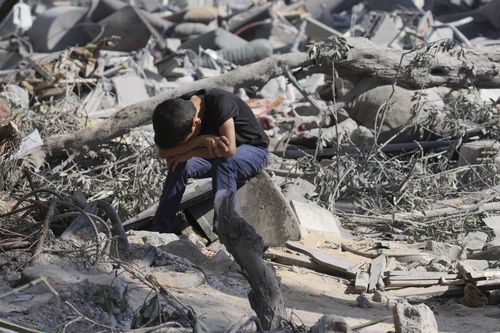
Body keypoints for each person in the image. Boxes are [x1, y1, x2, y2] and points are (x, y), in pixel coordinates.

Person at [151, 88, 269, 233]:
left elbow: (229, 150)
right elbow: (164, 152)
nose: (182, 144)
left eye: (184, 140)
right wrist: (199, 141)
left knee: (225, 162)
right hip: (212, 154)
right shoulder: (178, 110)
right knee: (179, 164)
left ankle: (224, 231)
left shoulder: (221, 103)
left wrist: (191, 152)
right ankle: (160, 227)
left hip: (253, 151)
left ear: (196, 122)